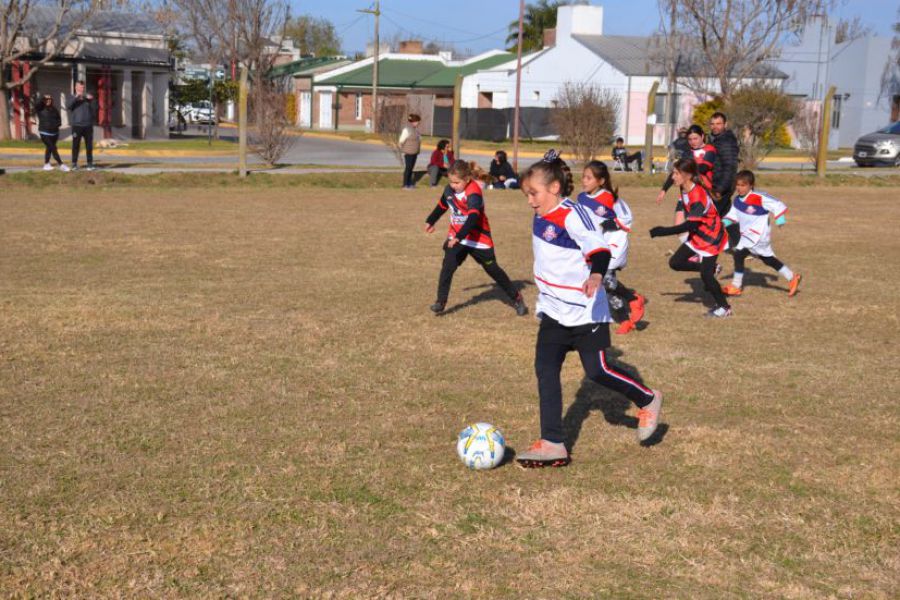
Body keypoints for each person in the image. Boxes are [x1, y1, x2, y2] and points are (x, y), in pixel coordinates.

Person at [515, 150, 663, 469]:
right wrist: (544, 165)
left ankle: (648, 399)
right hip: (555, 312)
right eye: (527, 194)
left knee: (597, 371)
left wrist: (596, 273)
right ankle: (553, 442)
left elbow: (599, 250)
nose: (529, 200)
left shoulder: (574, 215)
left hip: (585, 311)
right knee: (545, 369)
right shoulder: (542, 211)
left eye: (533, 193)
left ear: (554, 189)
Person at [424, 159, 527, 316]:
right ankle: (440, 302)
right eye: (450, 182)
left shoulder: (474, 192)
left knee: (493, 270)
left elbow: (472, 218)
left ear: (467, 179)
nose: (453, 185)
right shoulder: (449, 190)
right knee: (448, 266)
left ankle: (517, 298)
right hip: (457, 237)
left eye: (456, 182)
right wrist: (431, 220)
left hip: (478, 238)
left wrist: (458, 237)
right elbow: (442, 206)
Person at [649, 157, 732, 318]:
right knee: (675, 262)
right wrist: (664, 189)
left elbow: (689, 226)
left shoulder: (697, 196)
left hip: (711, 236)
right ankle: (714, 269)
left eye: (676, 174)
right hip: (699, 233)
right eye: (673, 173)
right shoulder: (684, 186)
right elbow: (692, 226)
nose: (672, 177)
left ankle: (724, 307)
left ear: (687, 175)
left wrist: (662, 231)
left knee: (706, 276)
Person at [577, 160, 646, 335]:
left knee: (605, 280)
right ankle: (625, 319)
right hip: (596, 244)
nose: (584, 181)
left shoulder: (610, 197)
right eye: (583, 177)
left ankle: (632, 299)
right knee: (604, 285)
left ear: (600, 181)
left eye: (589, 178)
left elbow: (626, 218)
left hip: (614, 242)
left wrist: (608, 224)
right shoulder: (581, 198)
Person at [720, 170, 802, 297]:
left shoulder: (759, 197)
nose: (739, 188)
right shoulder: (737, 200)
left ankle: (736, 286)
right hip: (747, 236)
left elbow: (777, 204)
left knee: (742, 254)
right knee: (763, 258)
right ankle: (792, 277)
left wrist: (780, 218)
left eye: (743, 185)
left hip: (758, 236)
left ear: (751, 185)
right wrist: (723, 223)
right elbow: (732, 215)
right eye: (737, 185)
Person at [656, 124, 718, 243]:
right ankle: (693, 253)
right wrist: (664, 190)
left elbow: (704, 168)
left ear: (702, 136)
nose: (692, 142)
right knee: (679, 227)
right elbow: (676, 171)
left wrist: (686, 169)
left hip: (702, 195)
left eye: (695, 138)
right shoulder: (687, 153)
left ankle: (699, 255)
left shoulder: (710, 150)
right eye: (690, 139)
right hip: (685, 194)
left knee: (697, 227)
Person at [708, 112, 740, 216]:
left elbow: (730, 167)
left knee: (711, 219)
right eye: (712, 124)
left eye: (718, 123)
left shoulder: (726, 141)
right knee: (725, 219)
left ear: (725, 124)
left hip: (721, 187)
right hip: (714, 185)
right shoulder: (714, 140)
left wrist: (720, 189)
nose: (715, 126)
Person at [66, 80, 97, 171]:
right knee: (76, 145)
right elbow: (68, 106)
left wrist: (92, 100)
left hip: (88, 125)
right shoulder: (72, 97)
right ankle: (74, 164)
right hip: (77, 125)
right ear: (76, 87)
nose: (81, 89)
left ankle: (90, 164)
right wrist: (76, 97)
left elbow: (95, 108)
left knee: (89, 146)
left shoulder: (87, 98)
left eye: (83, 87)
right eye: (80, 87)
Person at [34, 94, 69, 172]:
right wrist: (43, 97)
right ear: (43, 100)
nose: (48, 101)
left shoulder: (54, 109)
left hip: (54, 133)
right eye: (47, 99)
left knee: (49, 148)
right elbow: (37, 105)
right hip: (44, 132)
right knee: (53, 148)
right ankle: (61, 164)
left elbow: (59, 120)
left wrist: (56, 125)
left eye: (50, 99)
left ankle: (46, 164)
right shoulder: (40, 108)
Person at [399, 113, 421, 189]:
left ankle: (409, 183)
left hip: (414, 152)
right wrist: (403, 150)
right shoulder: (407, 130)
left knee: (411, 168)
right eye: (417, 121)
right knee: (408, 168)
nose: (418, 123)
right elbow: (401, 141)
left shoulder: (416, 130)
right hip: (408, 153)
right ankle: (405, 184)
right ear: (414, 121)